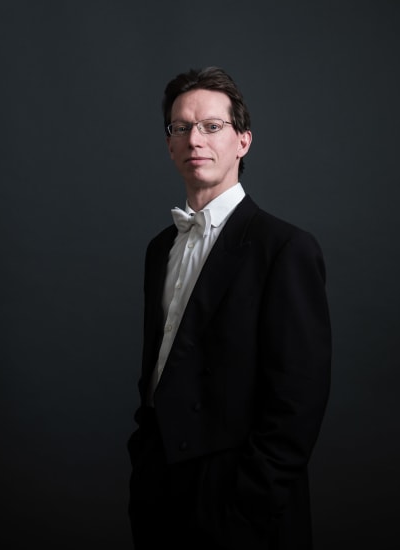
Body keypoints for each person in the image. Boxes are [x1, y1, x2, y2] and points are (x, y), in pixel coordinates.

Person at [128, 66, 331, 550]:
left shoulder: (285, 248)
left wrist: (245, 507)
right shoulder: (160, 248)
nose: (195, 139)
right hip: (162, 492)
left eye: (211, 126)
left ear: (243, 141)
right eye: (182, 127)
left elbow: (298, 403)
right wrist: (144, 463)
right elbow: (160, 376)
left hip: (239, 501)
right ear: (169, 144)